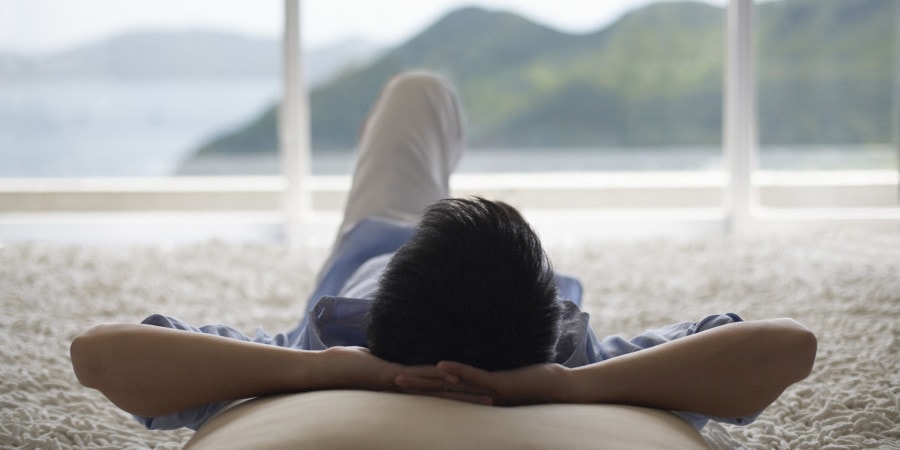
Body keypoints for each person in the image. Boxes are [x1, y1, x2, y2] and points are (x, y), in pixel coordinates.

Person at [70, 71, 817, 432]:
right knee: (422, 96)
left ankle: (437, 169)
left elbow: (99, 355)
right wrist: (562, 385)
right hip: (432, 256)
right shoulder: (562, 344)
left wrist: (320, 368)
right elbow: (786, 348)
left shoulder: (337, 334)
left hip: (384, 240)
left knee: (415, 96)